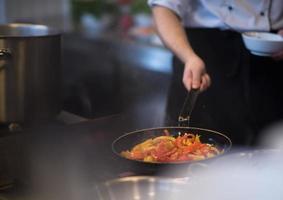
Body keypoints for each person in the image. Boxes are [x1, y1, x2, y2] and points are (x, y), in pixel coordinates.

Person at [147, 0, 283, 146]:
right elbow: (163, 7)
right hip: (203, 54)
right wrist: (189, 57)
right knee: (192, 149)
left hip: (274, 56)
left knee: (272, 149)